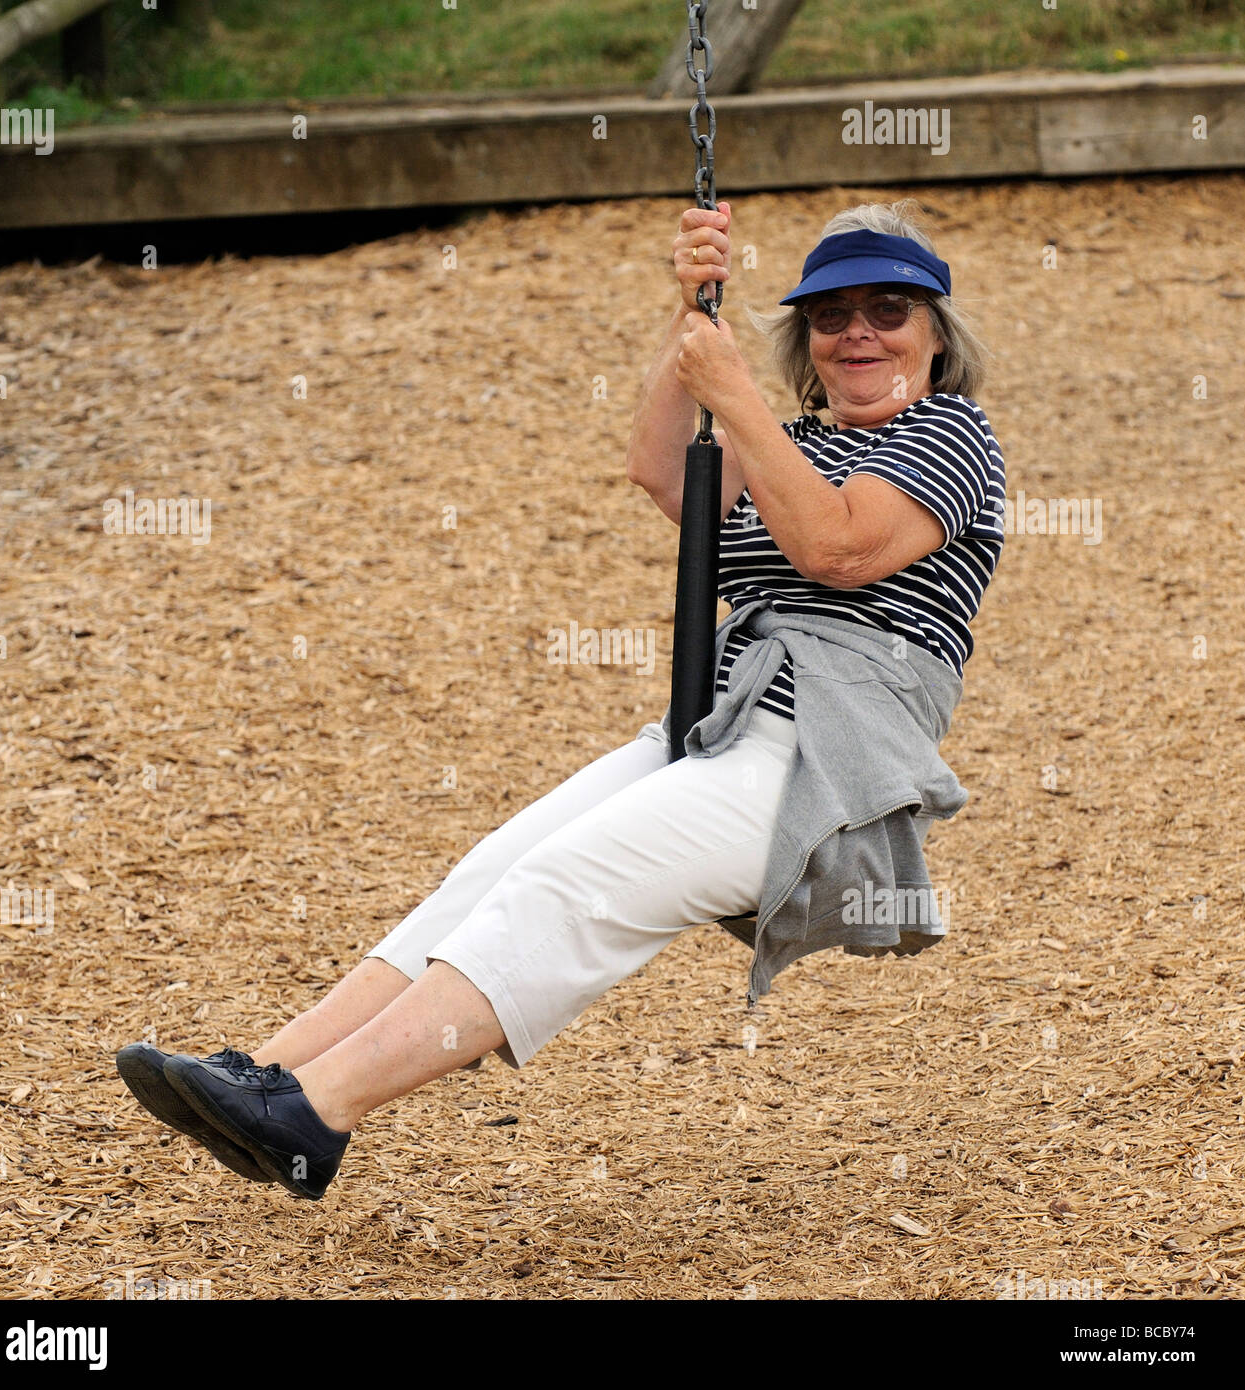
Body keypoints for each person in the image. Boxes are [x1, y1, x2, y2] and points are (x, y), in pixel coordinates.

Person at [116, 198, 1005, 1201]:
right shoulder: (793, 441)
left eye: (886, 308)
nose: (856, 331)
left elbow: (838, 549)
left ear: (936, 332)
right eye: (828, 312)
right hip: (720, 721)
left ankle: (315, 1113)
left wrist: (736, 394)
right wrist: (684, 322)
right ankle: (269, 1073)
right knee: (493, 870)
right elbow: (664, 474)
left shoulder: (949, 433)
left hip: (823, 753)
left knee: (569, 886)